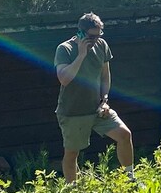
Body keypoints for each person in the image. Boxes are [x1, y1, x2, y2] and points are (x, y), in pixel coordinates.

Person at [53, 12, 135, 182]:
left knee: (125, 135)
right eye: (92, 36)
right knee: (72, 154)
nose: (96, 40)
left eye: (99, 35)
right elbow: (64, 79)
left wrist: (104, 100)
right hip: (72, 111)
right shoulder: (65, 49)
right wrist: (81, 55)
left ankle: (130, 180)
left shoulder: (102, 45)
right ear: (81, 33)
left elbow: (105, 76)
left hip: (97, 109)